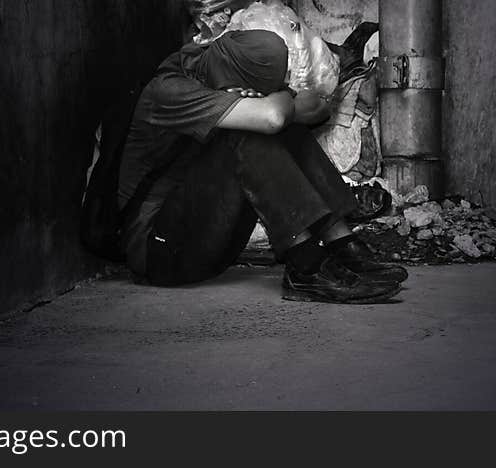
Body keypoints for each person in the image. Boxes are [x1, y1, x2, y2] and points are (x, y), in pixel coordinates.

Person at [116, 28, 408, 303]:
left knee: (285, 126)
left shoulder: (216, 61)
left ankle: (342, 245)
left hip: (206, 237)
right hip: (158, 251)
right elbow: (272, 117)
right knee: (249, 134)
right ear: (232, 84)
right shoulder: (169, 90)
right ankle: (306, 265)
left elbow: (315, 106)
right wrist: (277, 105)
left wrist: (279, 105)